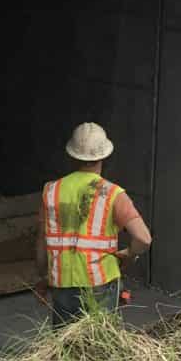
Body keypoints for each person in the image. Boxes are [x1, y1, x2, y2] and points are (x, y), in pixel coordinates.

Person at [36, 122, 153, 325]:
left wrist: (43, 275)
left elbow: (42, 241)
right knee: (100, 347)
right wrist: (130, 254)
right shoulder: (112, 193)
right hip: (101, 282)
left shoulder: (51, 191)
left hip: (62, 282)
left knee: (66, 347)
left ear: (72, 156)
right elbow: (143, 238)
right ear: (104, 156)